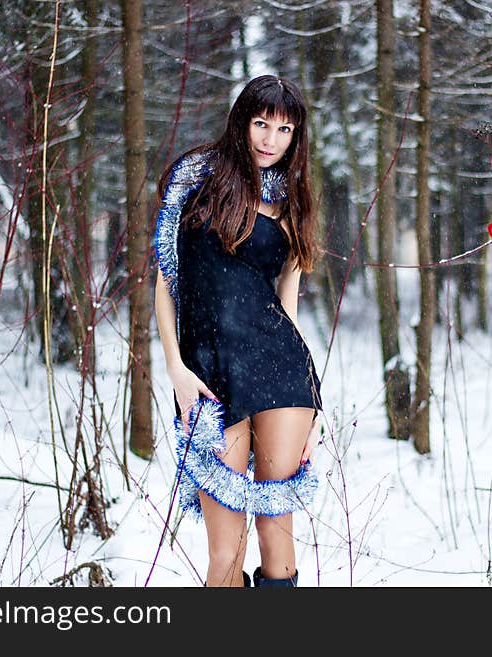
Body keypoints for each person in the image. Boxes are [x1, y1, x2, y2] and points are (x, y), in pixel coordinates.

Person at [153, 75, 323, 588]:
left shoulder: (292, 206)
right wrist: (176, 369)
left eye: (285, 129)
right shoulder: (195, 183)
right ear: (242, 122)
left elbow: (287, 308)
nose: (271, 139)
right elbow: (167, 282)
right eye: (261, 124)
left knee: (277, 535)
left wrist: (313, 409)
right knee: (225, 553)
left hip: (280, 375)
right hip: (209, 376)